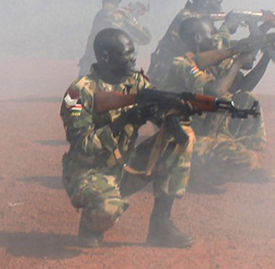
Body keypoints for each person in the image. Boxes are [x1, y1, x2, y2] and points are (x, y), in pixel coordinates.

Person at [61, 28, 194, 249]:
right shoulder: (79, 92)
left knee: (181, 137)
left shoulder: (138, 83)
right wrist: (124, 120)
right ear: (105, 57)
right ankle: (91, 224)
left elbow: (160, 114)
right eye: (127, 53)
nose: (134, 58)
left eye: (134, 53)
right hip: (87, 173)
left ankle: (161, 225)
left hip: (124, 166)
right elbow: (81, 145)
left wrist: (175, 112)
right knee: (108, 208)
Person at [156, 18, 272, 185]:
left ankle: (217, 164)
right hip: (183, 137)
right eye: (211, 33)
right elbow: (214, 92)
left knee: (246, 99)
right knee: (244, 160)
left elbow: (244, 86)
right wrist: (237, 62)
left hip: (209, 130)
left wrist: (267, 55)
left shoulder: (211, 63)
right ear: (198, 38)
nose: (216, 37)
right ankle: (200, 174)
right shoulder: (181, 64)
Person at [147, 0, 224, 81]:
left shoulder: (197, 19)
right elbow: (217, 49)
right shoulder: (187, 19)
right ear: (204, 2)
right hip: (168, 78)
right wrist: (226, 28)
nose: (220, 7)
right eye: (217, 3)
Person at [76, 0, 153, 76]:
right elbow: (145, 38)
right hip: (113, 72)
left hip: (91, 67)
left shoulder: (100, 15)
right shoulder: (123, 15)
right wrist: (135, 19)